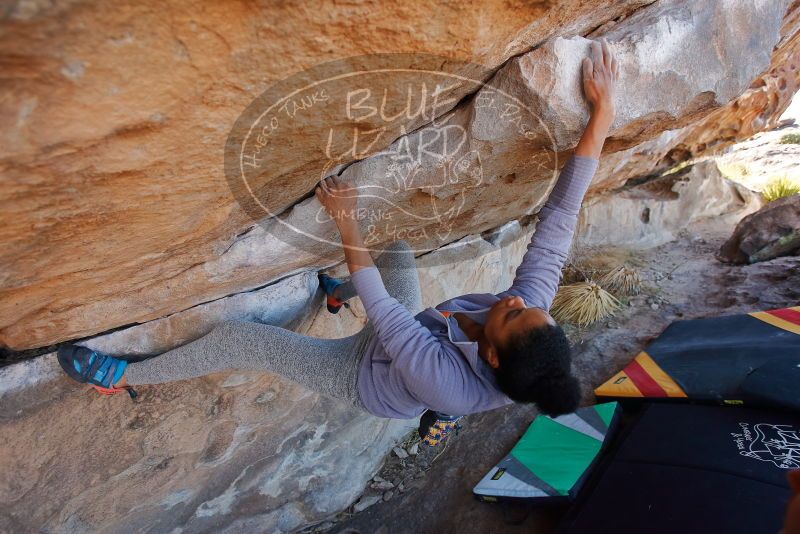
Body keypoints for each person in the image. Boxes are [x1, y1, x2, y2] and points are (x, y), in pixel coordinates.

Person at [57, 39, 618, 437]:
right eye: (527, 306)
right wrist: (601, 118)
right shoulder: (527, 325)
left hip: (362, 378)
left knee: (243, 340)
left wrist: (345, 219)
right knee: (397, 253)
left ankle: (122, 376)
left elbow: (387, 315)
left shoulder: (455, 384)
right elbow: (558, 225)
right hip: (409, 348)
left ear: (493, 355)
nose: (516, 299)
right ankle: (330, 294)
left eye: (513, 313)